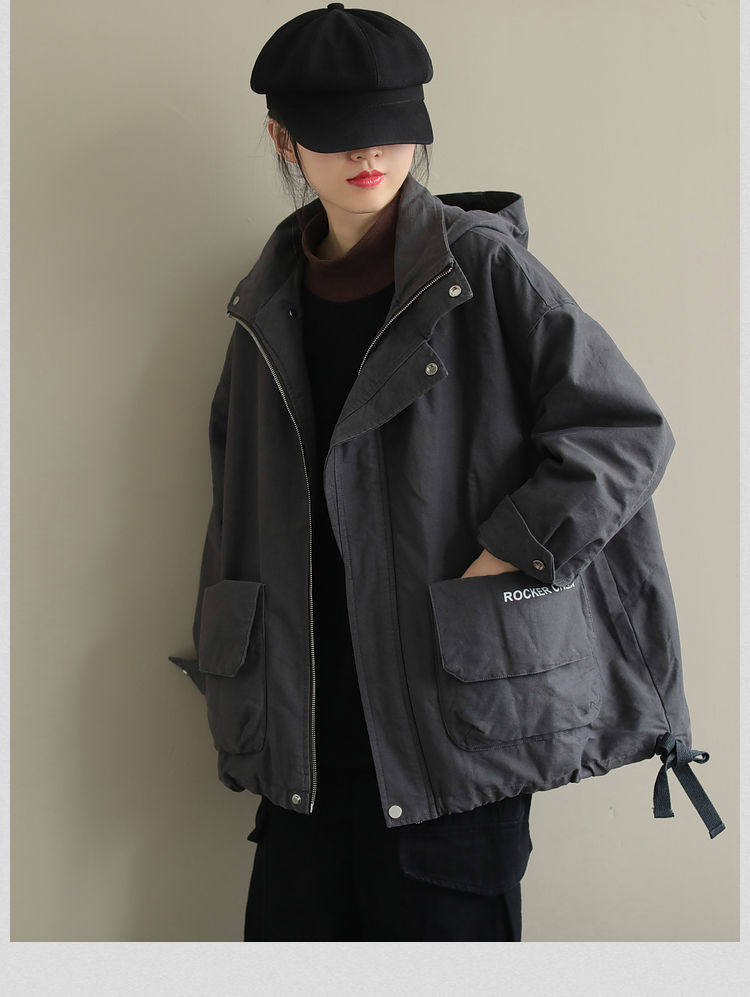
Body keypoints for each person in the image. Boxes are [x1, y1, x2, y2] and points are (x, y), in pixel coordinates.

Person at [169, 3, 724, 943]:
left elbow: (625, 430)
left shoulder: (483, 267)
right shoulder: (263, 305)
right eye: (337, 131)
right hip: (305, 739)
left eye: (391, 125)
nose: (368, 152)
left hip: (454, 732)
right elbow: (238, 506)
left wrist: (512, 551)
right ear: (281, 138)